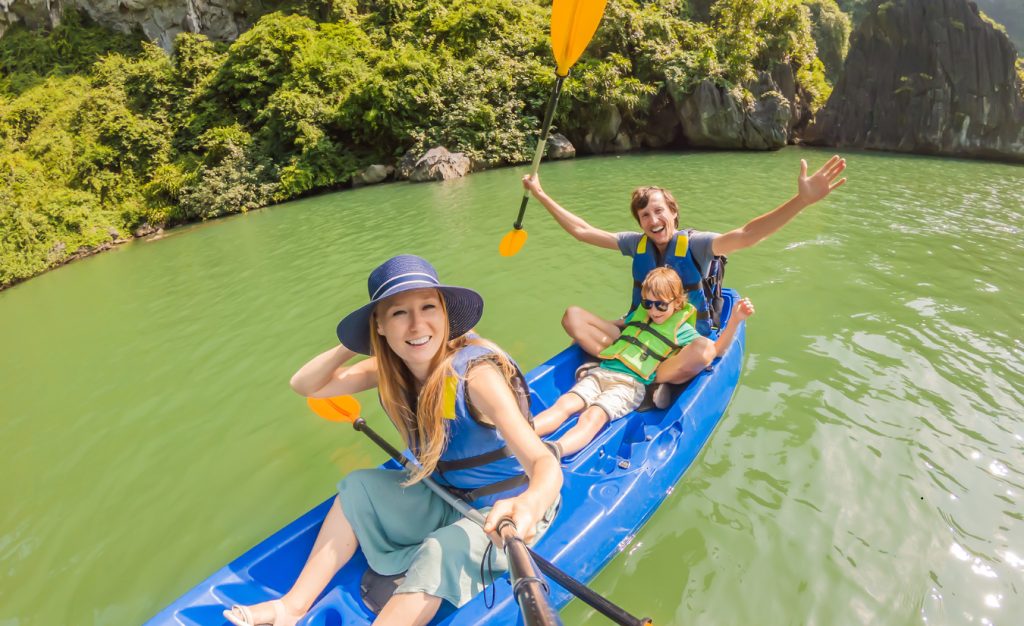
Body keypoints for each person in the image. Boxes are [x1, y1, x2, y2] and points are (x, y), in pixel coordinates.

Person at [223, 255, 563, 626]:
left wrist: (530, 504)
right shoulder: (391, 368)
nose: (417, 324)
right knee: (357, 487)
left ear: (445, 314)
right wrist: (356, 342)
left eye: (428, 307)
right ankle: (291, 608)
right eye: (398, 313)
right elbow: (305, 385)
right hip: (447, 496)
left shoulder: (476, 377)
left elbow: (543, 463)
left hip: (505, 512)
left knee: (440, 550)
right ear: (380, 327)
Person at [521, 155, 846, 385]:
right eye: (645, 215)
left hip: (680, 341)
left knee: (704, 352)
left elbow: (747, 235)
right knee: (572, 317)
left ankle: (648, 376)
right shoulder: (637, 244)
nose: (653, 220)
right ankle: (626, 361)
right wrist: (540, 194)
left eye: (659, 211)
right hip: (641, 335)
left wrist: (801, 201)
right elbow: (582, 231)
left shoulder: (696, 245)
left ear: (673, 214)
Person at [534, 268, 755, 457]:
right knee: (564, 404)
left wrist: (735, 320)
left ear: (677, 303)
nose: (653, 310)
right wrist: (584, 336)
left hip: (630, 384)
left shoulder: (682, 330)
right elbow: (620, 325)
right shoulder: (641, 315)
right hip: (603, 372)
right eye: (647, 303)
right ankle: (523, 434)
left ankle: (554, 450)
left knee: (594, 415)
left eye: (660, 305)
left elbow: (716, 351)